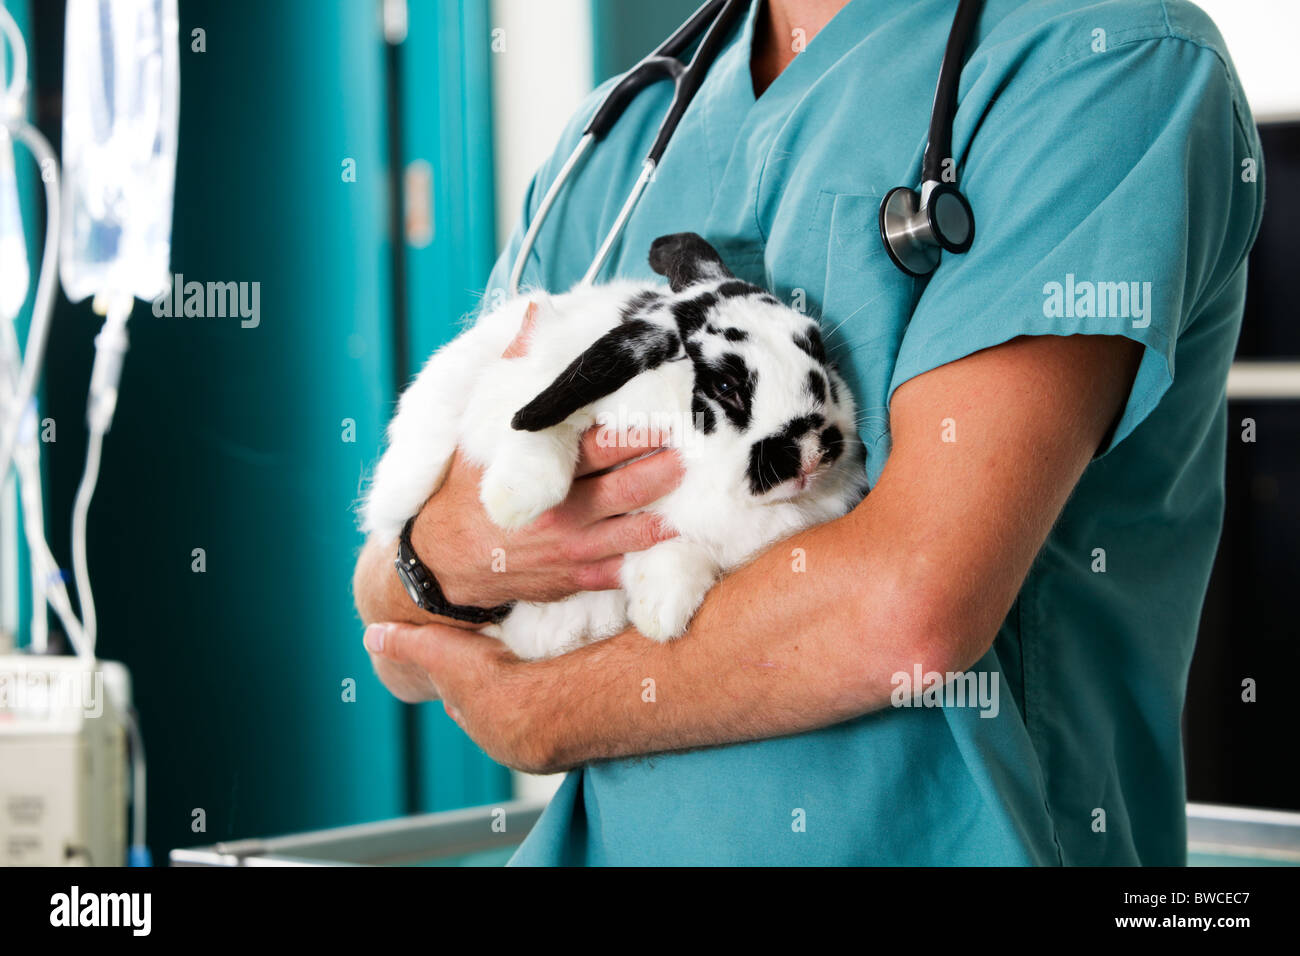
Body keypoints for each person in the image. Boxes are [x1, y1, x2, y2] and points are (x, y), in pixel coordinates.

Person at [353, 0, 1264, 865]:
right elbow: (387, 625)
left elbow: (907, 606)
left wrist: (540, 709)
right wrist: (448, 556)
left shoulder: (1101, 60)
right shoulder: (620, 136)